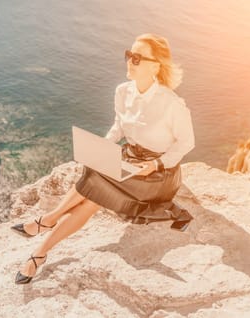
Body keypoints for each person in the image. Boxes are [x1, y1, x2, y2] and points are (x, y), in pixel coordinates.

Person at [11, 33, 195, 284]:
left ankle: (47, 222)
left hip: (157, 174)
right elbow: (119, 127)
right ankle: (39, 252)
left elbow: (186, 143)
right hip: (129, 161)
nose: (130, 61)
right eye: (129, 55)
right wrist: (101, 146)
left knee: (96, 177)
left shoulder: (172, 103)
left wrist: (155, 164)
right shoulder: (122, 91)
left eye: (137, 58)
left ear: (156, 65)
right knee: (92, 195)